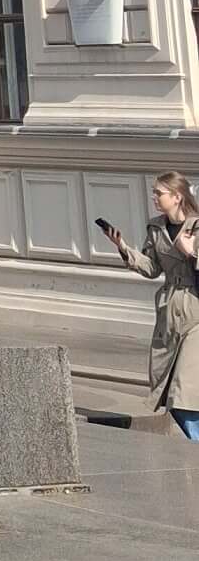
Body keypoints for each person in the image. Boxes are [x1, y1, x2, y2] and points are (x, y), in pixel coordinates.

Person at [103, 171, 199, 438]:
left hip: (195, 310)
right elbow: (152, 268)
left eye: (159, 193)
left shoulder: (196, 226)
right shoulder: (155, 227)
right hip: (168, 313)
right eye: (154, 193)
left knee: (184, 389)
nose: (154, 197)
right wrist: (123, 247)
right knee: (166, 389)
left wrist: (191, 252)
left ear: (177, 196)